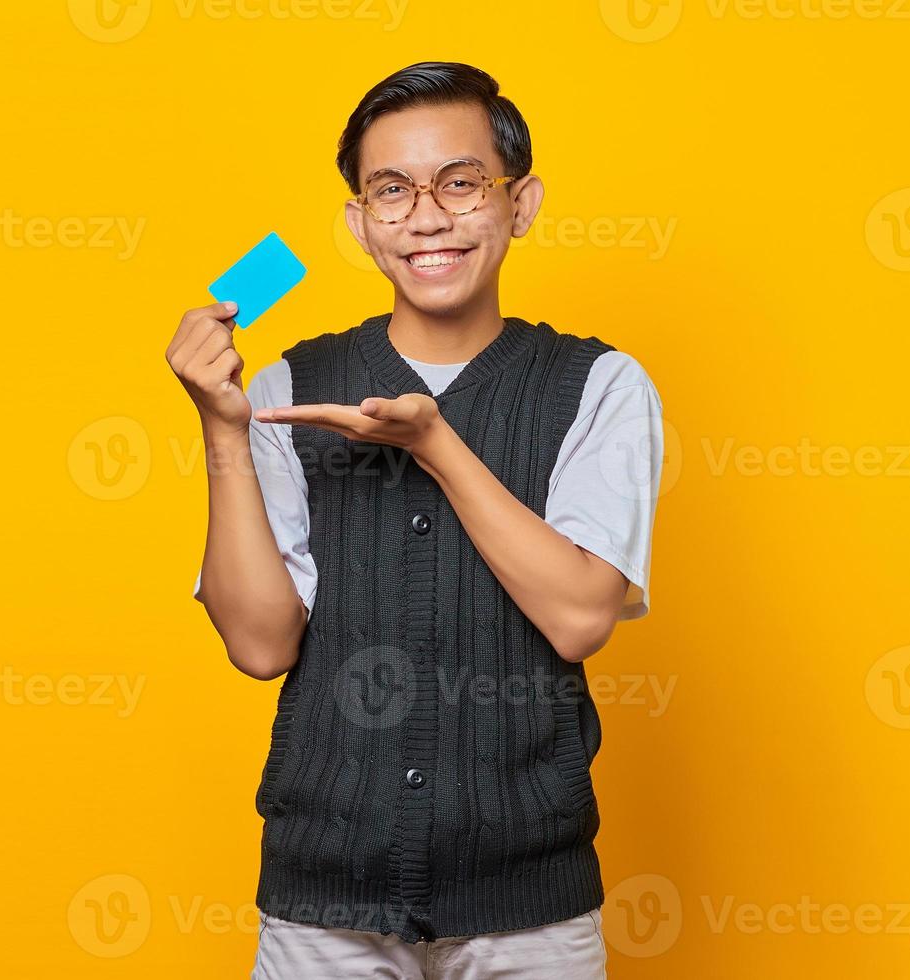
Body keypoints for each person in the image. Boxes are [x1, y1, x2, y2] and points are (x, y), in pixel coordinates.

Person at [166, 61, 664, 980]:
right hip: (322, 905)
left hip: (532, 910)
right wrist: (222, 429)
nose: (426, 217)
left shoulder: (600, 387)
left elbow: (581, 615)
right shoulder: (282, 390)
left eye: (460, 183)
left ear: (520, 203)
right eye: (391, 191)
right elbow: (260, 643)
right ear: (359, 224)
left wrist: (436, 445)